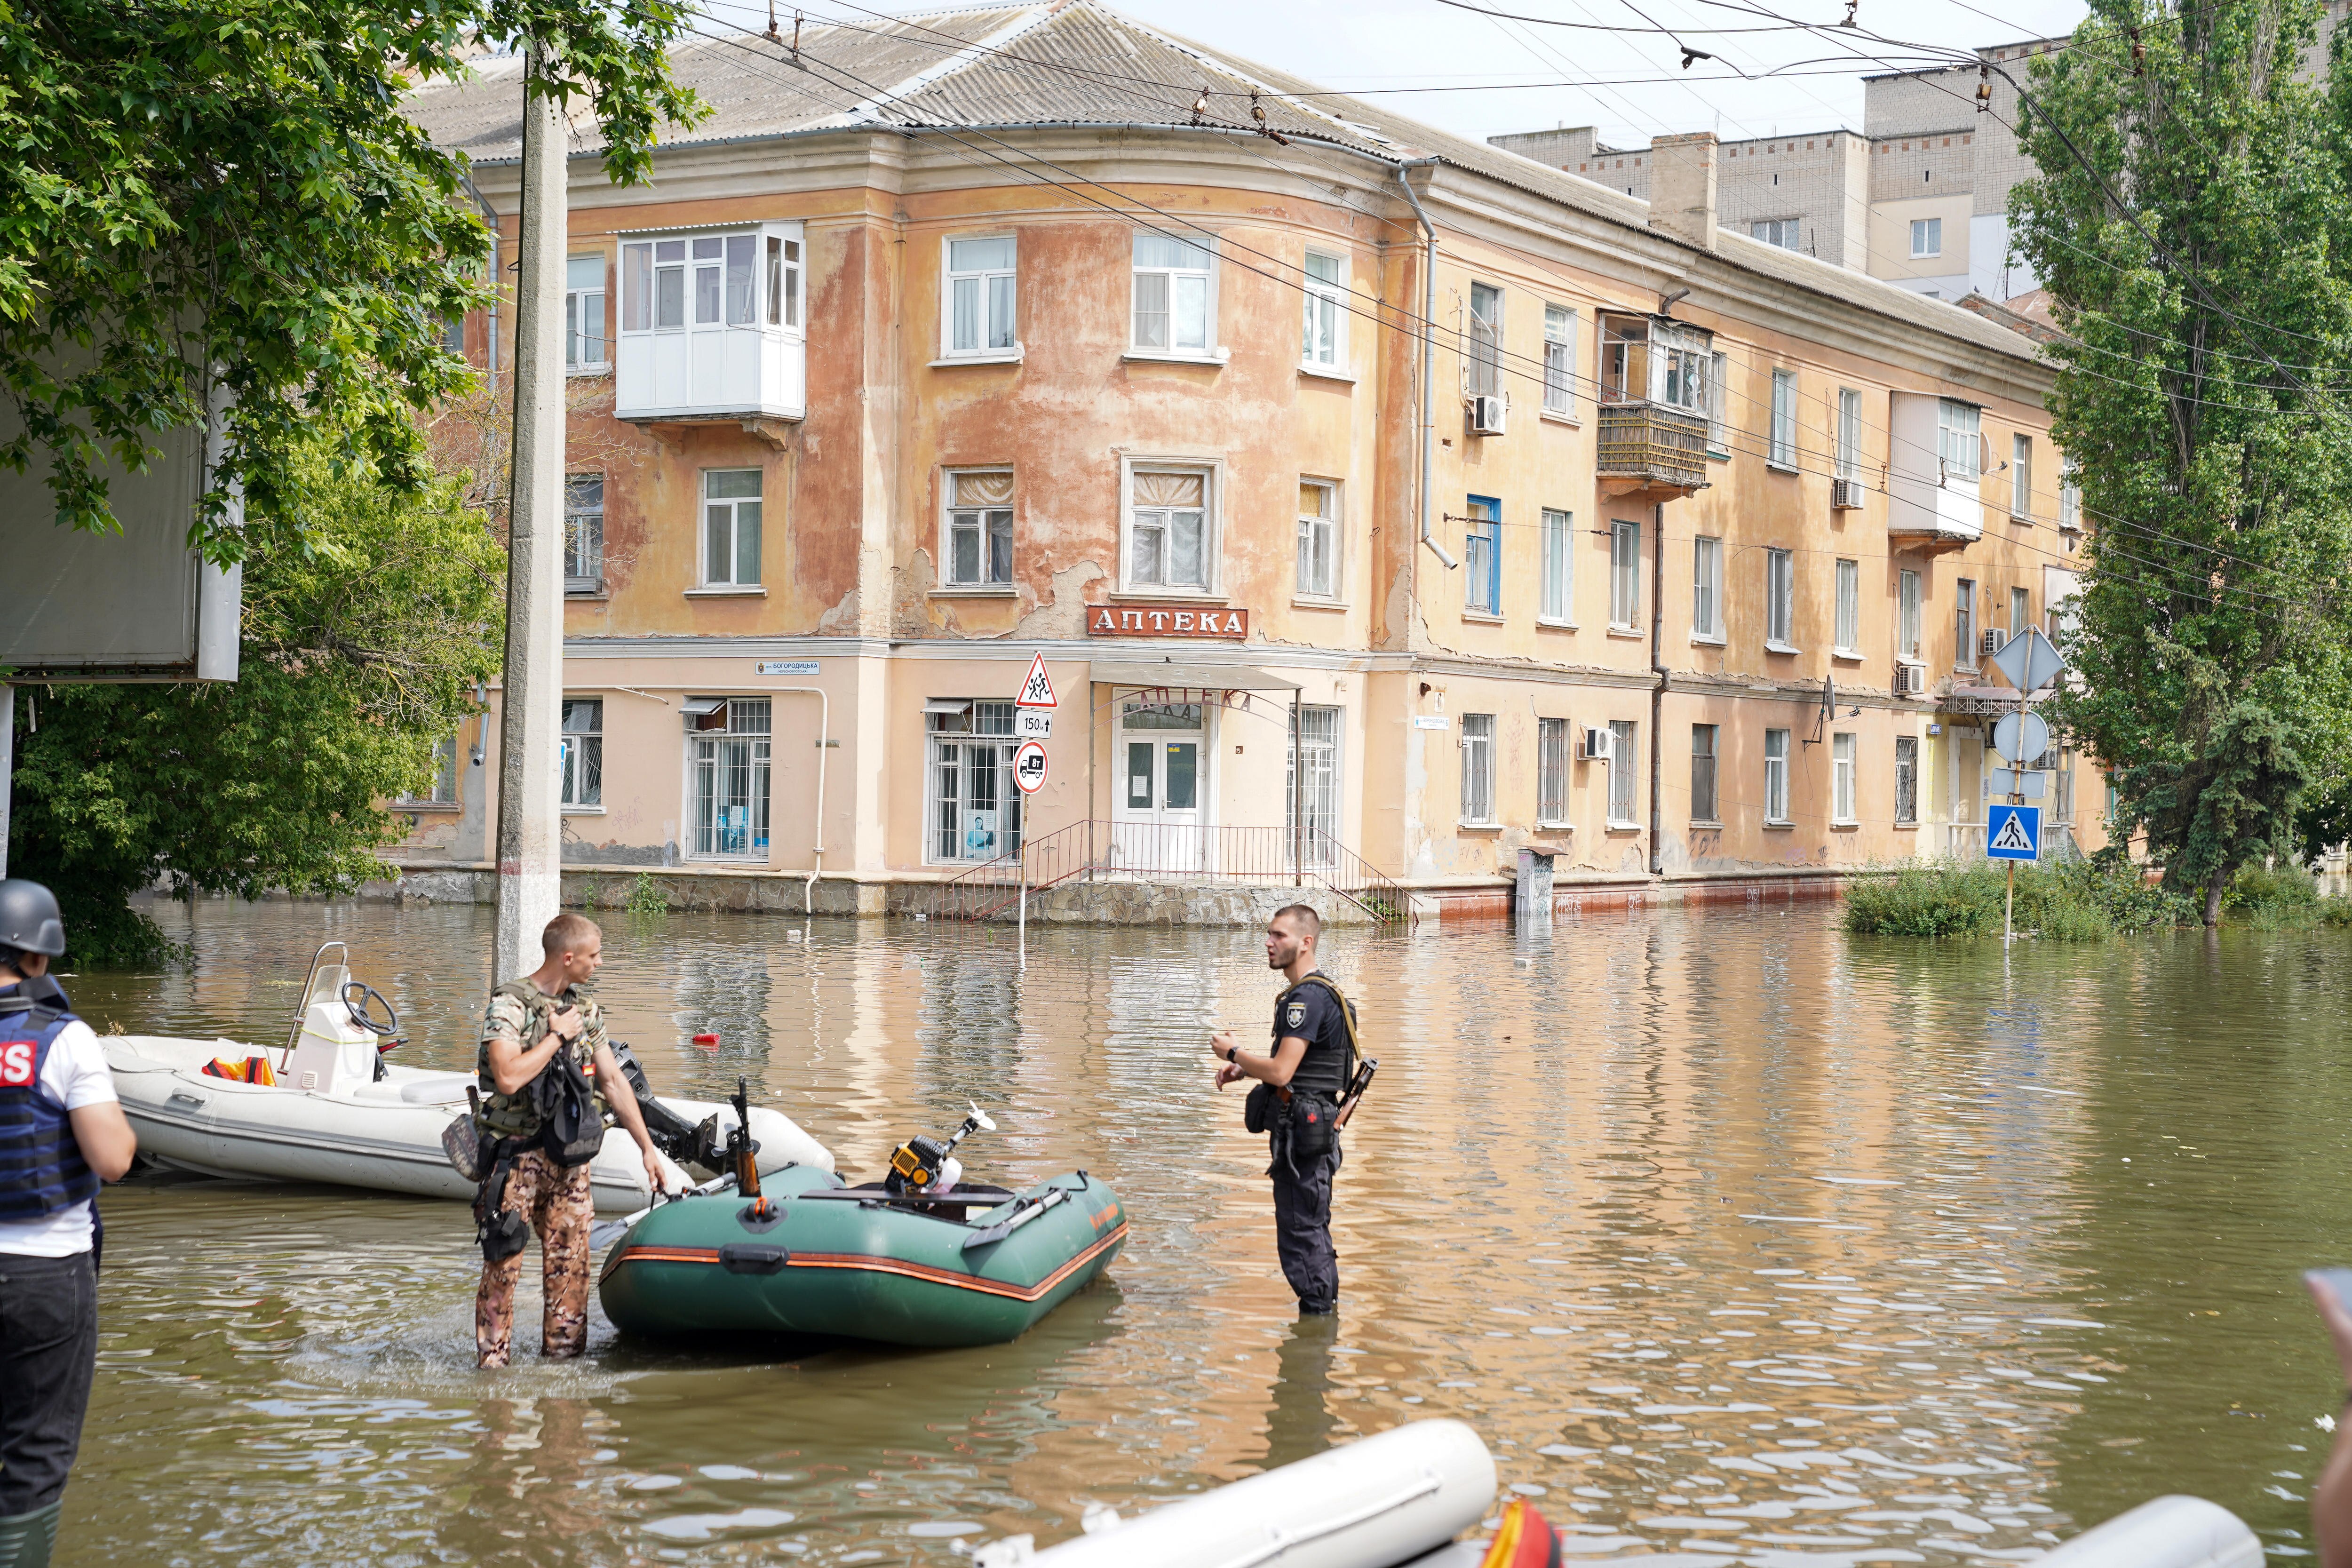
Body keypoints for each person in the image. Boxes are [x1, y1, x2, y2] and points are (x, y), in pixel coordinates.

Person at [0, 880, 135, 1568]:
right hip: (42, 1274)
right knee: (35, 1453)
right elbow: (112, 1159)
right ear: (34, 958)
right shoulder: (62, 1040)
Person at [474, 912, 667, 1368]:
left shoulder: (587, 1012)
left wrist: (647, 1149)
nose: (598, 964)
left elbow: (614, 1081)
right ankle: (492, 1376)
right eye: (593, 956)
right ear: (568, 957)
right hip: (515, 1160)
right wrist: (555, 1038)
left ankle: (562, 1372)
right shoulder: (510, 1005)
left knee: (571, 1269)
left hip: (569, 1162)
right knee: (503, 1269)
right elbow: (505, 1077)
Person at [1210, 904, 1358, 1317]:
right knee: (1310, 1234)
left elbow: (1281, 1070)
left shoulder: (1306, 998)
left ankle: (1315, 1341)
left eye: (1280, 935)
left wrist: (1234, 1050)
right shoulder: (1321, 992)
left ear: (1305, 943)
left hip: (1303, 1145)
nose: (1269, 942)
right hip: (1312, 1137)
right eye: (1269, 934)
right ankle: (1321, 1324)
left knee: (1302, 1237)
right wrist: (1243, 1069)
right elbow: (1301, 1070)